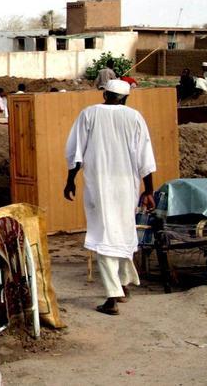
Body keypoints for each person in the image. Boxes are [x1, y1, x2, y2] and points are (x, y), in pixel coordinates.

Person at [64, 79, 156, 317]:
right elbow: (145, 158)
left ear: (105, 94)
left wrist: (70, 180)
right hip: (127, 188)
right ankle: (123, 284)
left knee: (103, 236)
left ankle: (113, 296)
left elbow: (76, 152)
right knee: (122, 231)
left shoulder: (89, 114)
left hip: (100, 186)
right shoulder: (134, 117)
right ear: (125, 98)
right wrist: (149, 191)